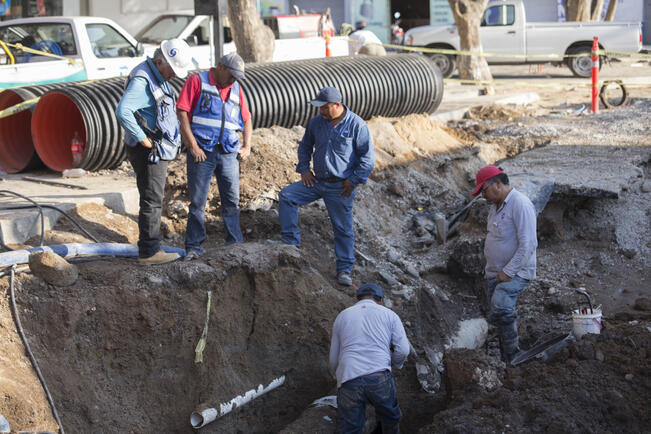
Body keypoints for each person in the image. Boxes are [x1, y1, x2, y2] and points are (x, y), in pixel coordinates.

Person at [277, 86, 375, 286]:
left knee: (342, 228)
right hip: (316, 181)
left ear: (337, 105)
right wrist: (304, 169)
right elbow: (305, 146)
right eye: (319, 107)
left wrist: (353, 180)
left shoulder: (356, 125)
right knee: (287, 196)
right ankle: (291, 244)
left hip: (340, 186)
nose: (320, 111)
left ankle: (344, 269)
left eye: (324, 107)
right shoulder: (316, 123)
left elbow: (367, 160)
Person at [116, 39, 194, 264]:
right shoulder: (143, 80)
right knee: (152, 200)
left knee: (153, 197)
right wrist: (143, 139)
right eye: (172, 70)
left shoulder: (154, 74)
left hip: (155, 147)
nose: (174, 75)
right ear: (160, 62)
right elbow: (123, 111)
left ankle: (150, 247)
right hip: (148, 151)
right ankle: (149, 252)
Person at [177, 52, 252, 260]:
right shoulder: (197, 81)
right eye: (232, 74)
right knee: (198, 202)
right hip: (202, 151)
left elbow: (247, 119)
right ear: (220, 67)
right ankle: (194, 246)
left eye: (237, 76)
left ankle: (234, 244)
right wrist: (192, 145)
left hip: (228, 151)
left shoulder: (236, 88)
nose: (234, 79)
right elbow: (182, 111)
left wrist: (247, 146)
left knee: (231, 201)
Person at [473, 165, 537, 363]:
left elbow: (528, 244)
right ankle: (503, 358)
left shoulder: (520, 204)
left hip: (517, 271)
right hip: (496, 273)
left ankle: (514, 355)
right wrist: (488, 274)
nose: (483, 196)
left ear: (497, 184)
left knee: (501, 303)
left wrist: (508, 272)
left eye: (484, 190)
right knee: (497, 314)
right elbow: (495, 240)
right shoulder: (495, 208)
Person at [329, 283, 410, 433]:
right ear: (380, 300)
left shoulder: (342, 316)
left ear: (357, 299)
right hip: (379, 377)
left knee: (350, 429)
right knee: (390, 420)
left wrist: (339, 378)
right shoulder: (389, 314)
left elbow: (333, 358)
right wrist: (394, 365)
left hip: (349, 378)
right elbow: (404, 350)